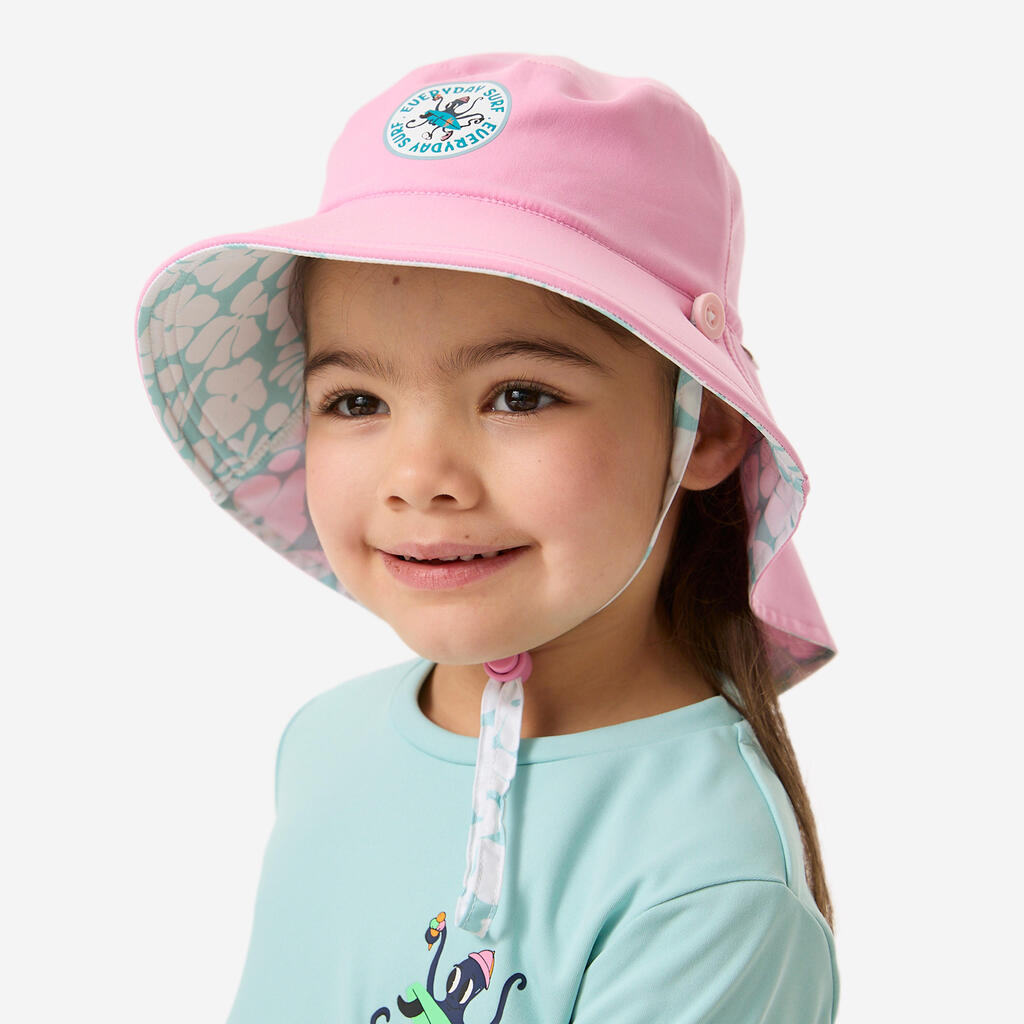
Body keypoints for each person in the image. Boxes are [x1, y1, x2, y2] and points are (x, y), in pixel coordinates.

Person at [135, 52, 840, 1023]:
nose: (420, 476)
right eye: (355, 400)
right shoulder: (325, 742)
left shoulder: (706, 885)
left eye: (518, 395)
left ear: (705, 426)